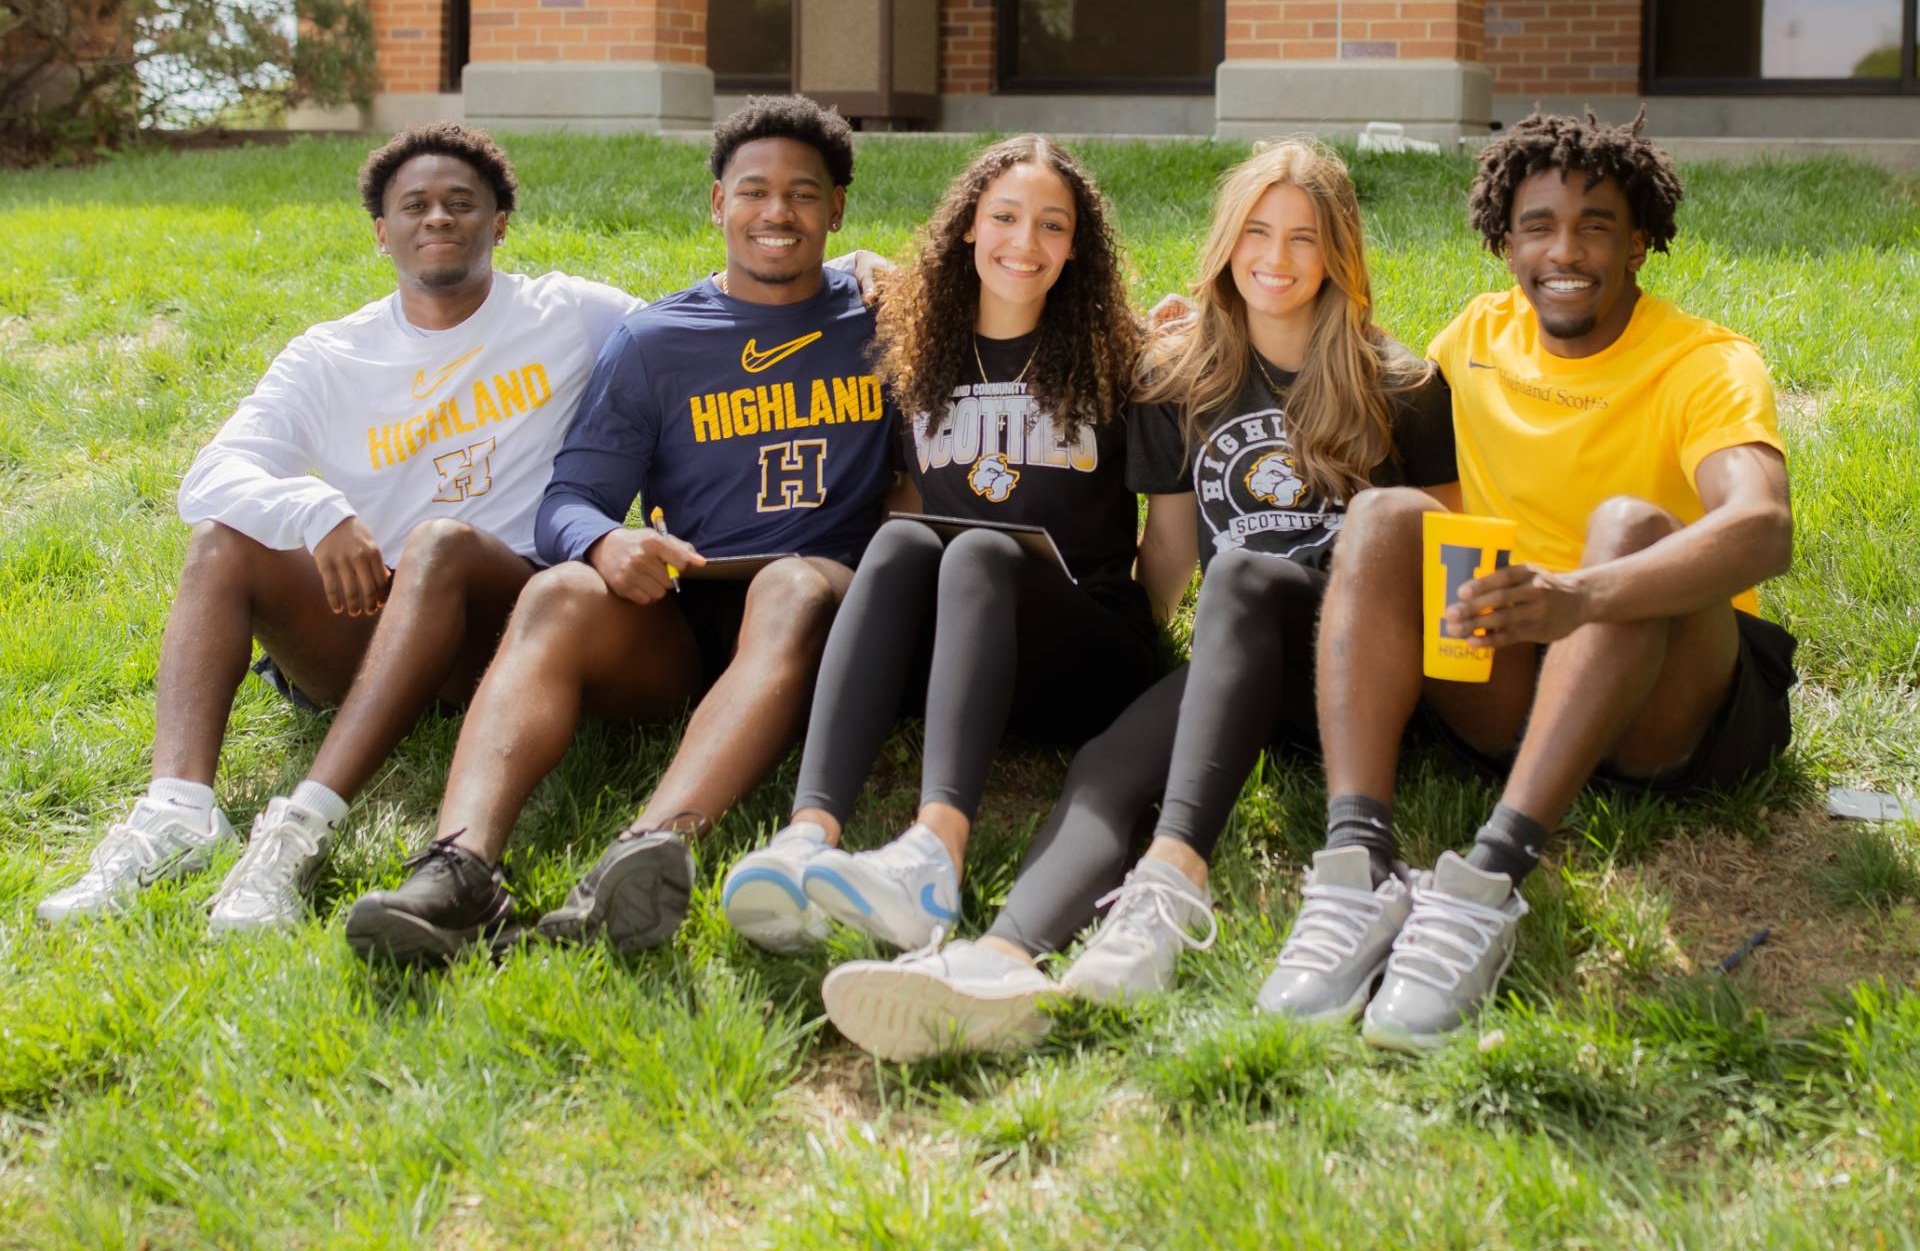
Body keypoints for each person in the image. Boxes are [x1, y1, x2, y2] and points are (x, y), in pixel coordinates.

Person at [809, 139, 1458, 1061]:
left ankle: (1169, 887)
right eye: (1256, 232)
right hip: (1244, 660)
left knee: (1244, 576)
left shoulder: (1402, 382)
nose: (1275, 258)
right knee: (1107, 766)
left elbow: (1441, 549)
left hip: (1362, 673)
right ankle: (1002, 959)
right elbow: (1172, 551)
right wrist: (1126, 654)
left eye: (1303, 238)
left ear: (1339, 252)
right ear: (1226, 244)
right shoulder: (1183, 379)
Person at [1264, 111, 1796, 1051]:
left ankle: (1488, 880)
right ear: (1504, 242)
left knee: (1628, 528)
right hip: (1515, 677)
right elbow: (1336, 377)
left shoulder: (1705, 362)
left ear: (1639, 244)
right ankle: (1356, 867)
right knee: (1384, 517)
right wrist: (1188, 334)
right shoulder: (1476, 334)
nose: (1566, 251)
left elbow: (1762, 527)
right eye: (1538, 226)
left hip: (1674, 705)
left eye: (1596, 226)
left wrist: (1580, 596)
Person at [35, 124, 636, 934]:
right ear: (381, 232)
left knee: (441, 543)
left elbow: (694, 336)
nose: (437, 217)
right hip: (378, 622)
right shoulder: (331, 354)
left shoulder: (571, 313)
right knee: (222, 539)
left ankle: (298, 834)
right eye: (413, 205)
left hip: (505, 623)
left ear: (499, 222)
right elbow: (211, 476)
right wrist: (316, 511)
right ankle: (177, 812)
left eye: (461, 202)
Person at [342, 95, 900, 965]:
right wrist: (607, 543)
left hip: (830, 612)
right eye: (754, 191)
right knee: (560, 590)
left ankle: (641, 855)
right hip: (691, 615)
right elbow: (569, 500)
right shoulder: (657, 340)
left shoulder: (885, 318)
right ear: (717, 204)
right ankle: (458, 870)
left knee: (790, 583)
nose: (777, 212)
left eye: (803, 193)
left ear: (837, 208)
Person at [719, 135, 1170, 971]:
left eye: (1052, 225)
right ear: (967, 226)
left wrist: (1161, 625)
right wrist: (861, 260)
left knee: (981, 554)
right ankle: (806, 836)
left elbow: (1171, 536)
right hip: (974, 658)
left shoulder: (1121, 354)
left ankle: (935, 855)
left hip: (1091, 654)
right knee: (901, 540)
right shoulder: (919, 347)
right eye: (1004, 217)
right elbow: (903, 500)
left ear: (1078, 246)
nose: (1025, 242)